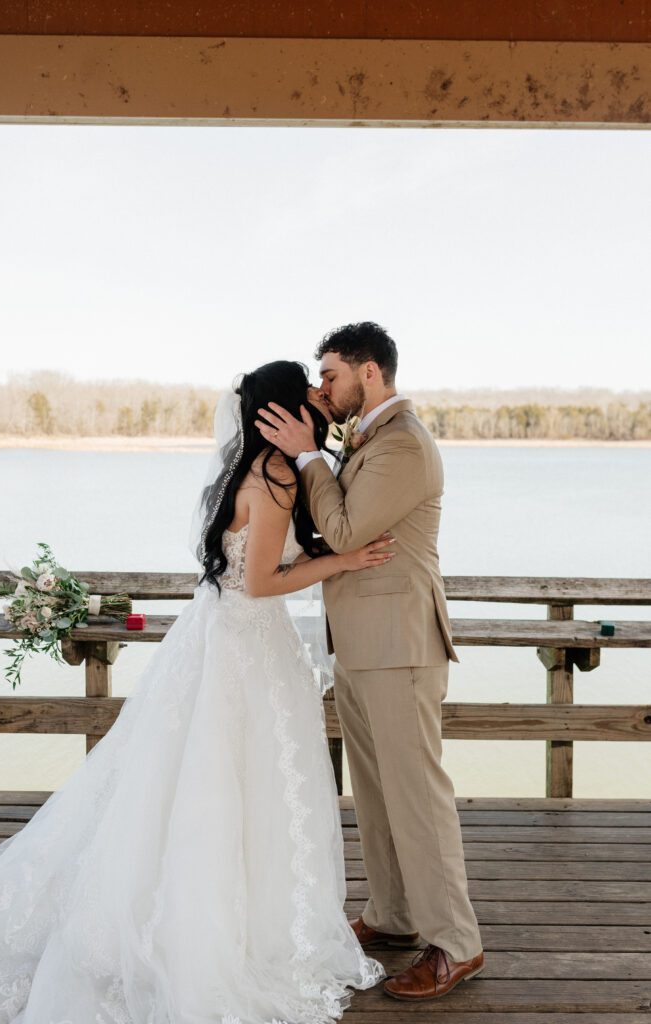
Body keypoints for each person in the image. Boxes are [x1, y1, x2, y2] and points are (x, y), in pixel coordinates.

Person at [0, 360, 392, 1024]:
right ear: (280, 411)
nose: (317, 397)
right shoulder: (275, 477)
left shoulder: (240, 469)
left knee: (191, 779)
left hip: (216, 634)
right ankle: (230, 935)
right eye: (307, 390)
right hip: (246, 644)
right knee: (238, 783)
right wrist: (341, 560)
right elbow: (258, 583)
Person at [255, 323, 485, 1001]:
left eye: (329, 374)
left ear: (369, 373)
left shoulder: (405, 444)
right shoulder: (368, 439)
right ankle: (392, 915)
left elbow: (348, 531)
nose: (321, 387)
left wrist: (305, 458)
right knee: (378, 793)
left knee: (417, 797)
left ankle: (455, 944)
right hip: (357, 642)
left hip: (399, 646)